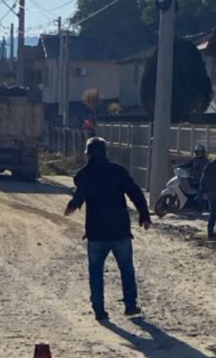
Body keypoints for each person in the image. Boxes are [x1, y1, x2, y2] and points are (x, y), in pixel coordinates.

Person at [64, 137, 152, 321]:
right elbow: (135, 192)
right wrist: (144, 214)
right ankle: (130, 305)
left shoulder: (85, 174)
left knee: (96, 271)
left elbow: (80, 192)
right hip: (119, 230)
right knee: (126, 268)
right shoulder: (117, 171)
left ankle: (99, 310)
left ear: (87, 154)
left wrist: (73, 203)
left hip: (96, 232)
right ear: (106, 152)